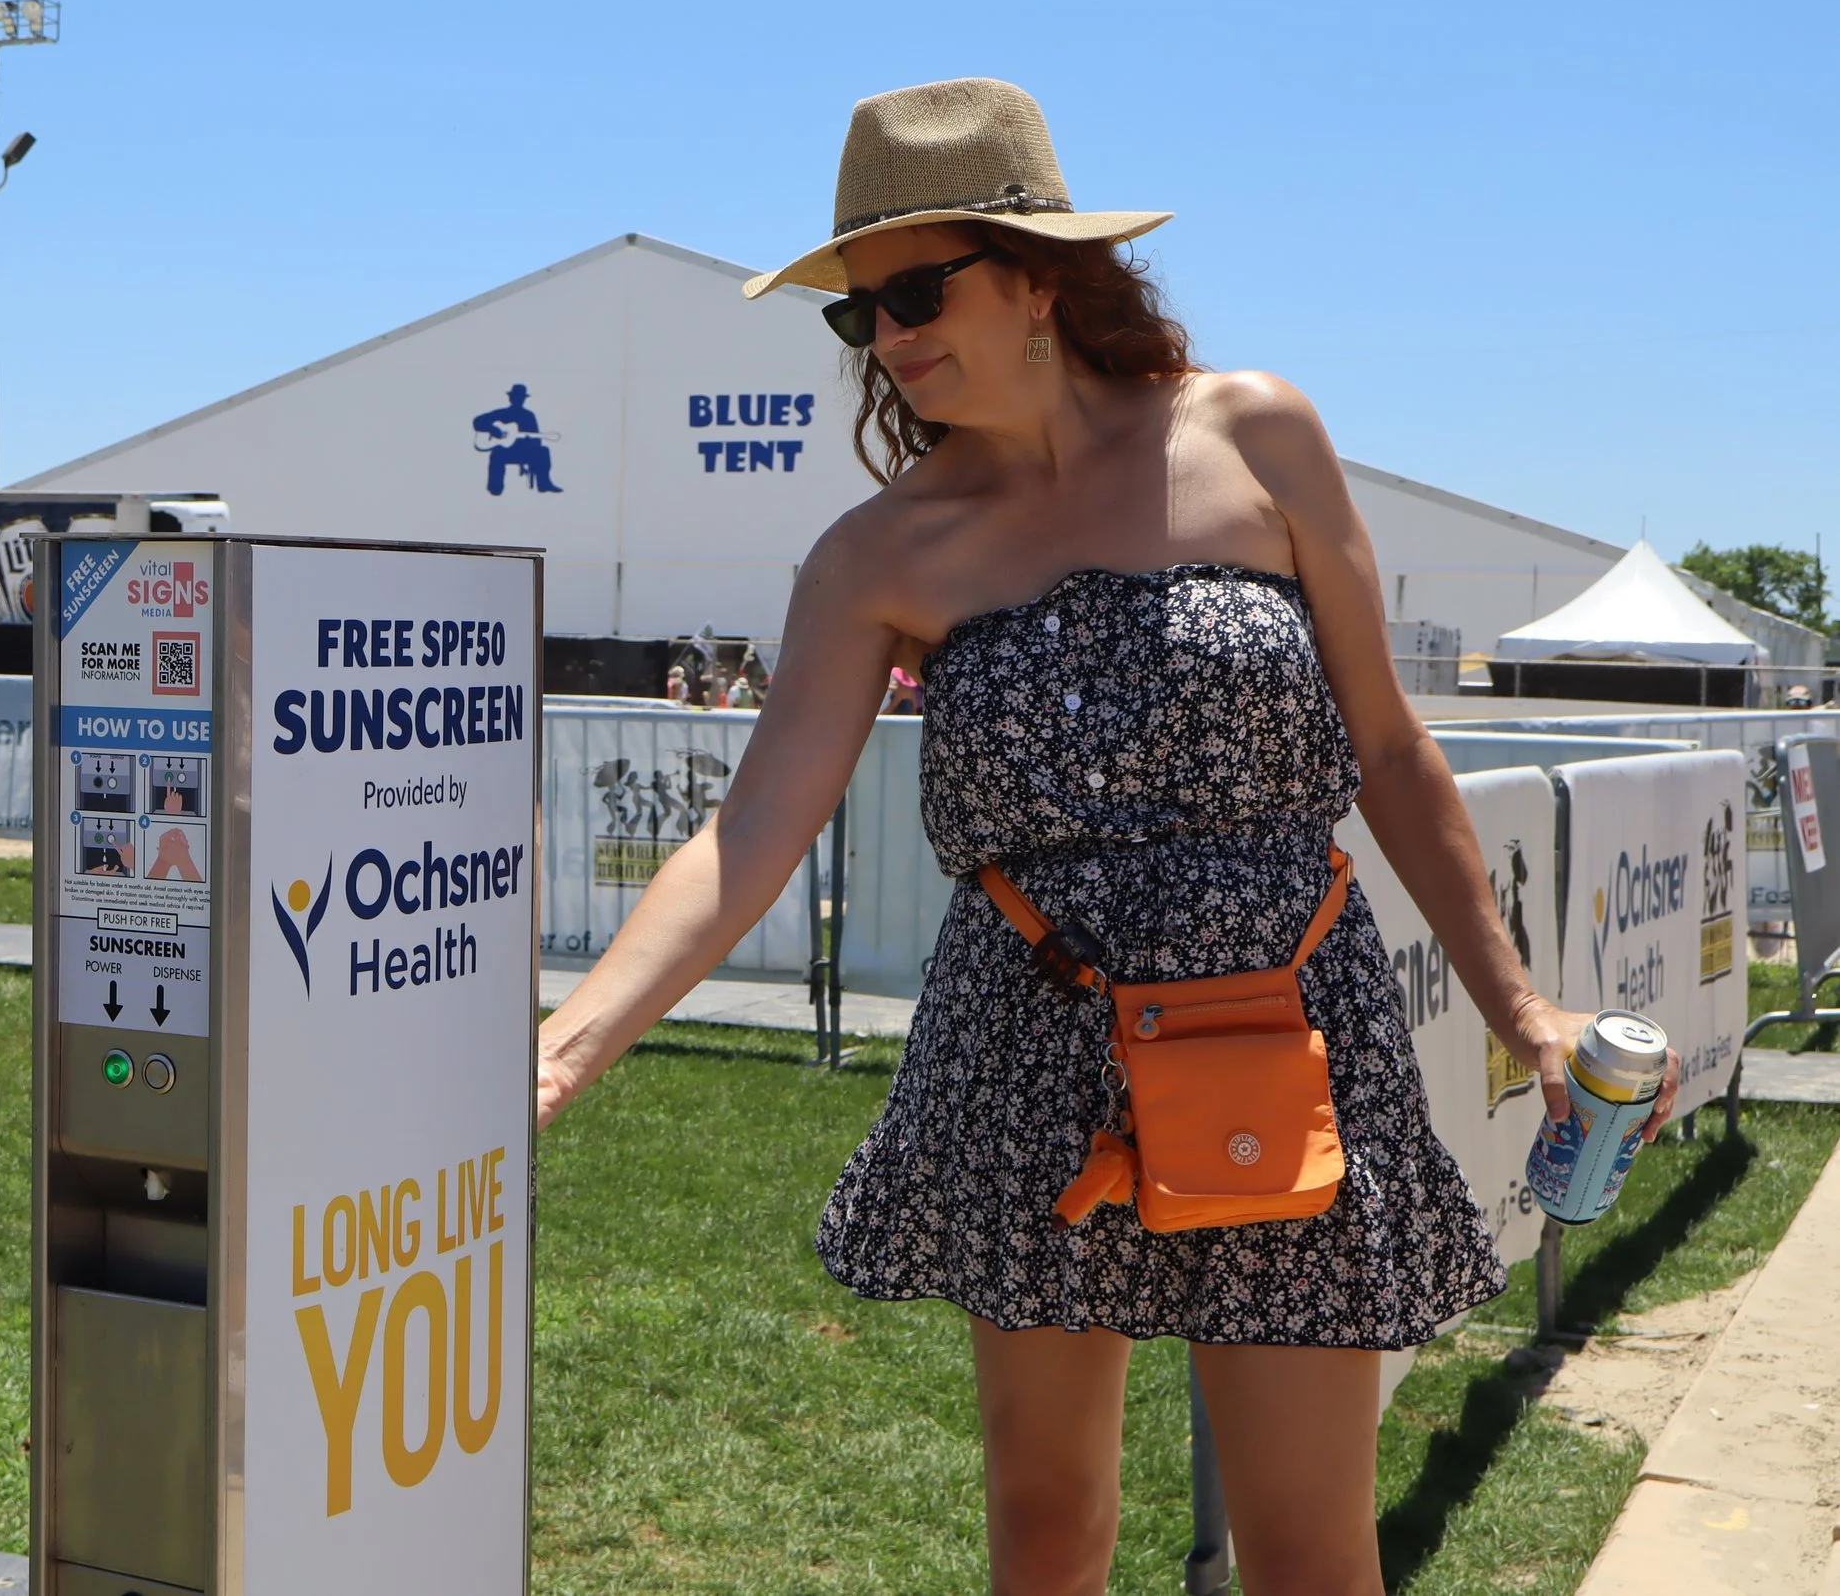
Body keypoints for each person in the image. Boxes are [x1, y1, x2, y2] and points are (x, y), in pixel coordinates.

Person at [531, 78, 1683, 1596]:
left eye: (918, 289)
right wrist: (567, 1045)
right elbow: (748, 833)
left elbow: (1391, 749)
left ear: (1042, 275)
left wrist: (1519, 1009)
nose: (888, 336)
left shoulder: (1257, 431)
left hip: (1286, 1027)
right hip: (1031, 1050)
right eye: (859, 313)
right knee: (1049, 1533)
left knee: (1310, 1551)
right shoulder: (879, 552)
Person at [470, 382, 560, 495]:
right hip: (506, 452)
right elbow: (477, 422)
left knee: (543, 451)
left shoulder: (529, 415)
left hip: (523, 452)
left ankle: (544, 483)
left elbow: (537, 438)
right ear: (511, 398)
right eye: (516, 397)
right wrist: (493, 429)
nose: (519, 400)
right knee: (497, 452)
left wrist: (530, 443)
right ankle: (495, 487)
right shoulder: (502, 413)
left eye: (521, 398)